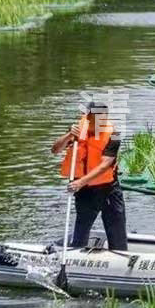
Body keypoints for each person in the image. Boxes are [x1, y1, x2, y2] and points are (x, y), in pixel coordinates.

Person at [51, 101, 127, 251]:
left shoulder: (114, 135)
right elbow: (55, 150)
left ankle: (119, 255)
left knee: (116, 229)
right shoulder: (78, 130)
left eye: (104, 119)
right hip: (85, 191)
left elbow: (105, 164)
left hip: (108, 189)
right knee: (81, 228)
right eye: (98, 119)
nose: (102, 123)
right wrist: (68, 135)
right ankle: (76, 253)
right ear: (89, 117)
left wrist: (80, 182)